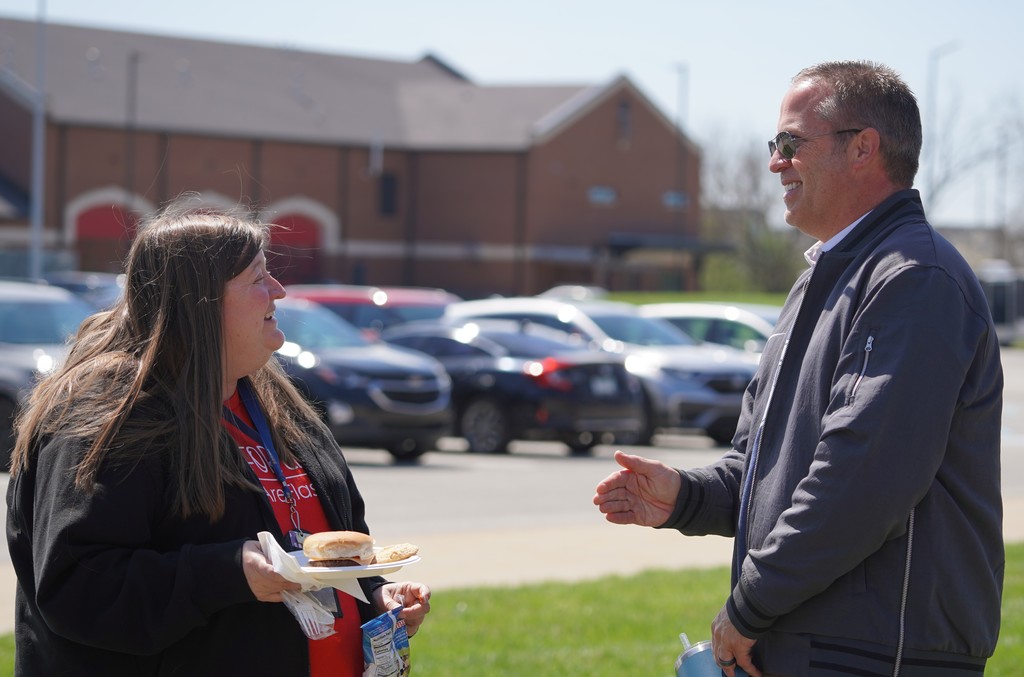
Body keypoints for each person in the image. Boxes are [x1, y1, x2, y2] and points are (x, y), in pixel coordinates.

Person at [594, 60, 1003, 677]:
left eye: (790, 144)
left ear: (863, 147)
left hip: (877, 654)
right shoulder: (820, 280)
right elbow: (762, 470)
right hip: (815, 644)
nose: (774, 163)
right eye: (773, 145)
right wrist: (683, 497)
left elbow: (862, 481)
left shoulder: (915, 279)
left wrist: (749, 607)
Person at [6, 200, 431, 675]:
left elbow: (334, 546)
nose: (279, 291)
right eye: (257, 278)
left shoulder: (279, 406)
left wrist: (375, 595)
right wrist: (230, 572)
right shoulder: (111, 415)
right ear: (198, 301)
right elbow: (79, 589)